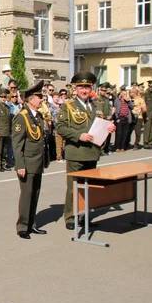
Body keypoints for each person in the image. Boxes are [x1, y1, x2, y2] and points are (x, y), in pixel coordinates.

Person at [56, 72, 115, 230]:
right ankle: (71, 217)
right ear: (75, 89)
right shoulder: (68, 106)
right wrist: (78, 135)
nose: (84, 90)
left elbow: (100, 125)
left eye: (87, 87)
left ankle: (84, 215)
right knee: (74, 187)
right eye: (81, 87)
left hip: (92, 152)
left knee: (89, 188)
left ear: (91, 88)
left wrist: (109, 128)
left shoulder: (96, 105)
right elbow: (60, 127)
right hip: (76, 152)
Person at [13, 81, 49, 239]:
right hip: (27, 162)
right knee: (27, 194)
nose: (42, 99)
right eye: (39, 97)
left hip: (38, 161)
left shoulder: (38, 115)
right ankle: (22, 227)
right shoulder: (21, 117)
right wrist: (20, 165)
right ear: (31, 99)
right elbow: (17, 144)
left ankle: (32, 224)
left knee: (35, 194)